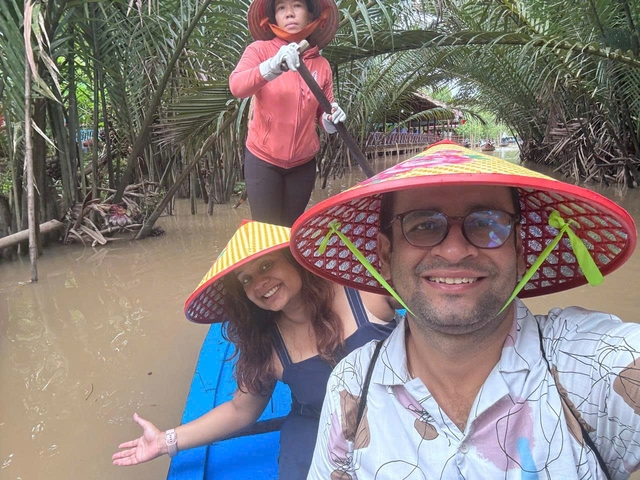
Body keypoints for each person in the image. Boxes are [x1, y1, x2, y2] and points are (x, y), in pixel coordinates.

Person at [288, 141, 640, 479]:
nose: (455, 252)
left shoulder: (591, 368)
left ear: (519, 251)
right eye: (423, 225)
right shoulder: (352, 386)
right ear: (384, 257)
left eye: (486, 222)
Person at [112, 220, 396, 479]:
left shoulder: (363, 291)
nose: (259, 284)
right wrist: (165, 441)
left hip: (397, 412)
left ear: (295, 260)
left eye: (265, 266)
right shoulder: (268, 344)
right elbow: (240, 410)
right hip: (319, 426)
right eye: (246, 280)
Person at [229, 0, 344, 227]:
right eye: (281, 7)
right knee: (266, 231)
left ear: (311, 15)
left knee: (290, 231)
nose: (289, 13)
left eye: (297, 5)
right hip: (263, 160)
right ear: (273, 18)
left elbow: (323, 112)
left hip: (303, 164)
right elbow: (237, 86)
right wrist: (273, 66)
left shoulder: (321, 65)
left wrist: (332, 119)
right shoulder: (259, 50)